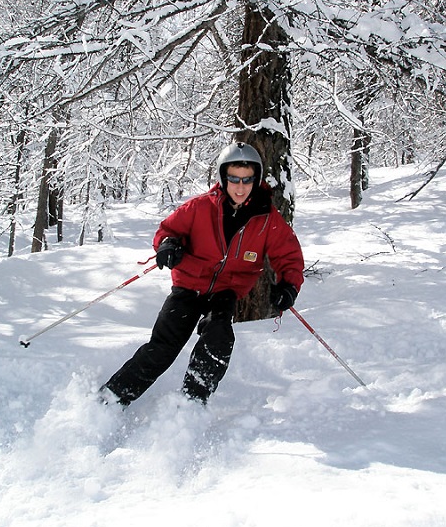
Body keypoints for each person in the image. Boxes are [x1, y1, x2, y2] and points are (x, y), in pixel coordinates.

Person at [100, 142, 304, 406]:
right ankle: (110, 400)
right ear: (223, 177)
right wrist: (167, 245)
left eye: (247, 180)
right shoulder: (200, 208)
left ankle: (191, 403)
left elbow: (289, 255)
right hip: (188, 286)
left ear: (256, 179)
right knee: (163, 346)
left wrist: (289, 285)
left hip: (225, 291)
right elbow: (168, 231)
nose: (240, 187)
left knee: (219, 335)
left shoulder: (267, 218)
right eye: (234, 179)